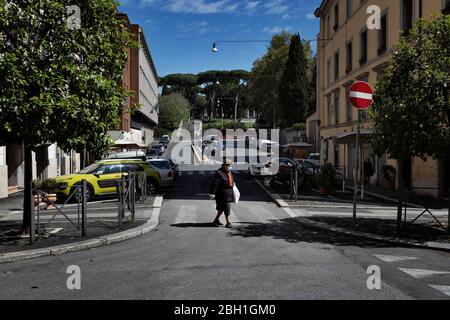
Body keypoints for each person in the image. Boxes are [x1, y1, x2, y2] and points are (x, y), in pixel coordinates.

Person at [209, 159, 235, 228]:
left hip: (228, 193)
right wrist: (212, 193)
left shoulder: (229, 171)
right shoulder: (219, 172)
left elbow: (232, 180)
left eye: (231, 165)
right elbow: (215, 184)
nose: (230, 167)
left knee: (221, 208)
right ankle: (228, 222)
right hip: (222, 194)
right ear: (224, 165)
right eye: (229, 165)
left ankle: (216, 220)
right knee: (226, 208)